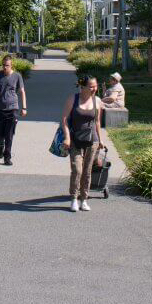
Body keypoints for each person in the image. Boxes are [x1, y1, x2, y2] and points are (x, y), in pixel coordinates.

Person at [61, 74, 102, 211]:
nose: (94, 89)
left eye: (95, 86)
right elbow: (65, 119)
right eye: (91, 86)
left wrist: (101, 140)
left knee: (87, 171)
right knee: (77, 169)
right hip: (75, 139)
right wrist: (67, 137)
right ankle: (74, 198)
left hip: (92, 140)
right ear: (83, 87)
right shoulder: (73, 99)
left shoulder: (97, 101)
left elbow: (97, 122)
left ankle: (84, 199)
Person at [0, 54, 27, 166]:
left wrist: (24, 107)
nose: (5, 67)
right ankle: (0, 146)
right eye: (3, 65)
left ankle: (7, 157)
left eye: (7, 65)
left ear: (11, 65)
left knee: (9, 135)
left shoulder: (17, 76)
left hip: (12, 109)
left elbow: (22, 92)